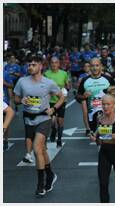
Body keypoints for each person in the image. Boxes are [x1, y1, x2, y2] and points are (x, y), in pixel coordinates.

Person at [14, 55, 64, 196]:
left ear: (41, 66)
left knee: (37, 149)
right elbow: (16, 98)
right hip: (29, 119)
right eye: (29, 64)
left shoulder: (48, 83)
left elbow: (61, 97)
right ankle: (50, 175)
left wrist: (53, 109)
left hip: (44, 118)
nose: (30, 67)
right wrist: (20, 100)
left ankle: (40, 185)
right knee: (42, 150)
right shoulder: (22, 81)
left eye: (34, 64)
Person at [77, 58, 115, 136]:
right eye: (92, 66)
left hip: (106, 113)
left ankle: (103, 144)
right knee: (96, 136)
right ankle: (99, 143)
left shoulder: (107, 78)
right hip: (92, 112)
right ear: (89, 67)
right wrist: (84, 96)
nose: (95, 68)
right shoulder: (85, 80)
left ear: (101, 66)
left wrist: (113, 95)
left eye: (97, 65)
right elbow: (78, 96)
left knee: (105, 136)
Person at [44, 57, 70, 147]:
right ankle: (53, 130)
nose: (54, 64)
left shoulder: (64, 73)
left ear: (59, 64)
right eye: (52, 62)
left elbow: (68, 85)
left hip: (61, 100)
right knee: (52, 121)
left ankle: (59, 139)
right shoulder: (46, 74)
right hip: (50, 101)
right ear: (50, 64)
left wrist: (65, 90)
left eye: (56, 62)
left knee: (60, 121)